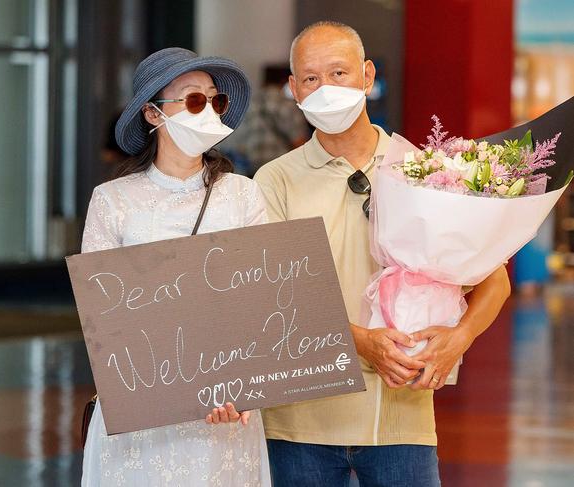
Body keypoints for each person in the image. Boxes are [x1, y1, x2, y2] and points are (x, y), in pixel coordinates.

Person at [254, 21, 511, 487]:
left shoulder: (421, 169)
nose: (325, 89)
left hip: (402, 422)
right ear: (293, 89)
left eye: (339, 73)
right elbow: (273, 296)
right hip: (299, 425)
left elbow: (496, 282)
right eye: (310, 79)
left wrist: (460, 337)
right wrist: (362, 340)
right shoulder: (274, 181)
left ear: (368, 76)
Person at [81, 47, 271, 486]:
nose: (206, 110)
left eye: (213, 99)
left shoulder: (242, 195)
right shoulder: (113, 201)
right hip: (141, 411)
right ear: (152, 114)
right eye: (192, 99)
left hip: (225, 410)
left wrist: (246, 385)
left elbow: (263, 300)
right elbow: (100, 317)